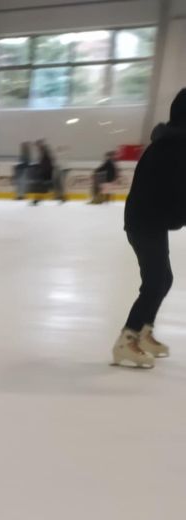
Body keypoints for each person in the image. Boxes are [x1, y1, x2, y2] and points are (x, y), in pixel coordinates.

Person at [112, 89, 186, 368]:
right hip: (144, 221)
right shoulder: (174, 147)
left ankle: (143, 332)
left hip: (150, 219)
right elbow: (177, 192)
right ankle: (126, 340)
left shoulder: (173, 142)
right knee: (156, 282)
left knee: (162, 280)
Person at [30, 140, 54, 205]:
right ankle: (38, 198)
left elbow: (46, 162)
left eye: (39, 146)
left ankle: (38, 198)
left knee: (41, 186)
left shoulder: (45, 153)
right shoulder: (44, 153)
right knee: (40, 186)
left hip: (46, 171)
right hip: (44, 171)